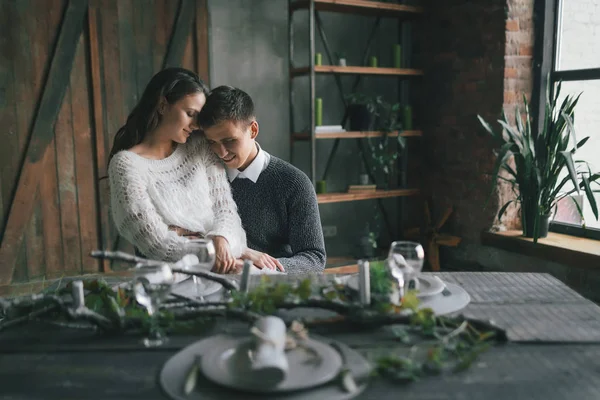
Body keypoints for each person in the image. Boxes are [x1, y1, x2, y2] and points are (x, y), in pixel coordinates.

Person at [108, 68, 249, 274]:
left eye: (198, 118)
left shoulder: (200, 146)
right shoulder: (127, 165)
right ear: (163, 105)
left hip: (225, 266)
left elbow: (227, 213)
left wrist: (223, 240)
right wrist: (214, 250)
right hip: (170, 280)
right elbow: (156, 244)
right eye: (190, 114)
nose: (195, 125)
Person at [197, 86, 326, 274]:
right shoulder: (203, 179)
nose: (221, 152)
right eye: (212, 142)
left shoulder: (294, 183)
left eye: (229, 140)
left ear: (253, 130)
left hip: (272, 288)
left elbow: (314, 257)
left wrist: (258, 270)